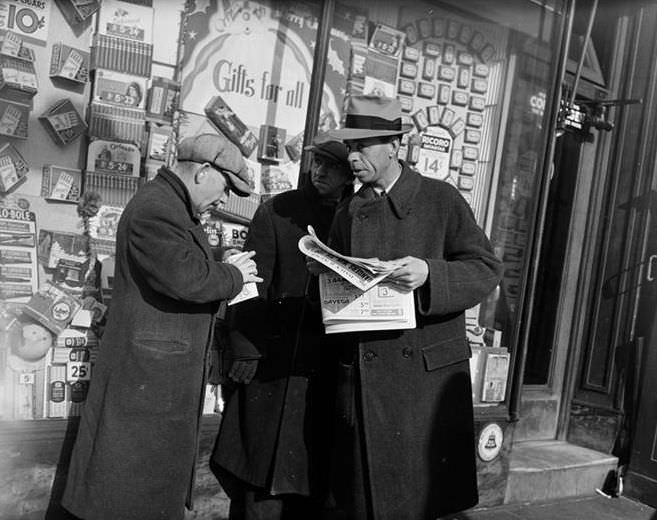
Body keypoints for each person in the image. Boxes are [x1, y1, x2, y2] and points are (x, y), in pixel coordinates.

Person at [312, 95, 503, 520]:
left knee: (415, 501)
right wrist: (326, 273)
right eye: (350, 147)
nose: (353, 157)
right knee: (364, 501)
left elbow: (486, 267)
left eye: (363, 147)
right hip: (364, 376)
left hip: (423, 382)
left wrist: (430, 274)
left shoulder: (441, 199)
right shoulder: (349, 209)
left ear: (394, 147)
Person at [61, 133, 263, 520]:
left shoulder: (170, 206)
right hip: (147, 389)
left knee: (141, 497)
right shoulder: (157, 209)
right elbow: (187, 278)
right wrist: (232, 275)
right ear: (204, 171)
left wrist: (222, 265)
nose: (224, 200)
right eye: (226, 187)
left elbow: (182, 267)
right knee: (127, 498)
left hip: (156, 387)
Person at [210, 133, 353, 519]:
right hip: (272, 363)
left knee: (314, 482)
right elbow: (249, 282)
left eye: (332, 165)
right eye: (317, 162)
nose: (320, 171)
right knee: (261, 480)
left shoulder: (357, 215)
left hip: (326, 369)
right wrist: (246, 347)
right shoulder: (279, 210)